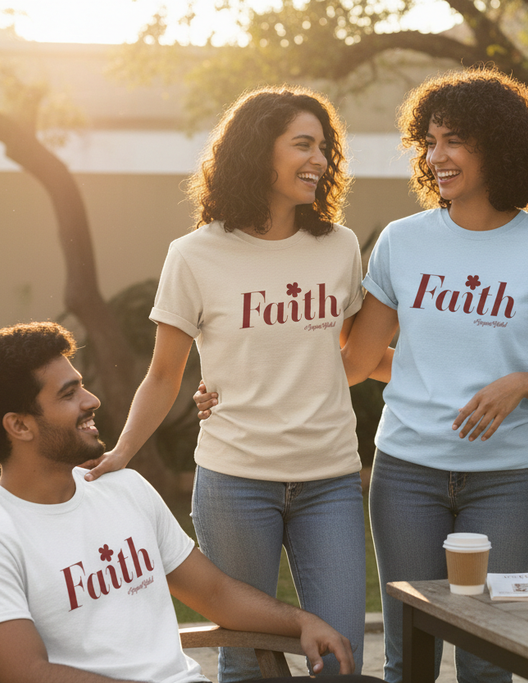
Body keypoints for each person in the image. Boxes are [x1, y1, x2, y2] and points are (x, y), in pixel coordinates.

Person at [81, 87, 371, 681]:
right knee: (247, 662)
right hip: (236, 482)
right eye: (302, 144)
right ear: (256, 151)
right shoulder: (193, 256)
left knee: (341, 657)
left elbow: (346, 353)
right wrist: (122, 453)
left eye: (324, 147)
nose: (318, 159)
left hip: (331, 480)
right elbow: (164, 375)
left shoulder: (339, 247)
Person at [0, 322, 383, 683]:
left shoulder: (122, 488)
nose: (91, 400)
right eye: (68, 393)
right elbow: (28, 674)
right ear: (19, 426)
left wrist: (302, 622)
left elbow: (215, 592)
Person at [340, 68, 528, 683]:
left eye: (453, 139)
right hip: (407, 475)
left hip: (502, 481)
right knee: (410, 657)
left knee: (487, 661)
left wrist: (523, 381)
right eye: (429, 142)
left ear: (499, 145)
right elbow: (355, 361)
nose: (436, 156)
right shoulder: (402, 242)